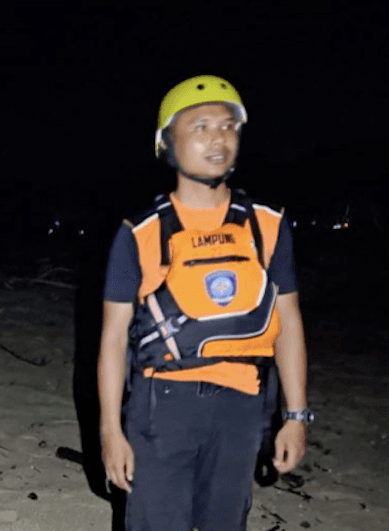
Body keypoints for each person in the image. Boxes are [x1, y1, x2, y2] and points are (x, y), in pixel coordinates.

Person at [97, 75, 312, 530]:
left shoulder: (267, 224)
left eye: (229, 126)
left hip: (242, 407)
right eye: (201, 126)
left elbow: (288, 322)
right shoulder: (139, 232)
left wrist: (294, 415)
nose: (219, 137)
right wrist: (110, 431)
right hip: (163, 406)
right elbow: (114, 339)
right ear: (167, 142)